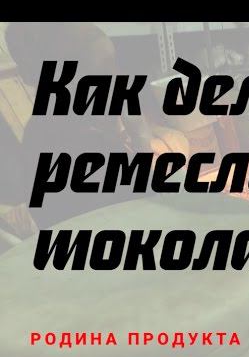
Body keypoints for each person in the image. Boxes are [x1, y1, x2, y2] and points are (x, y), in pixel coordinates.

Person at [5, 22, 188, 229]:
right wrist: (141, 139)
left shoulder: (46, 130)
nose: (119, 77)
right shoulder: (76, 146)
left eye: (115, 64)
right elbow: (164, 205)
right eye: (104, 68)